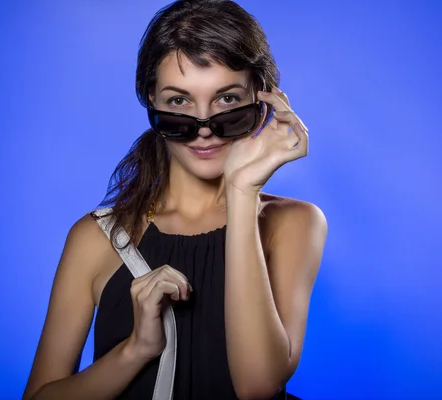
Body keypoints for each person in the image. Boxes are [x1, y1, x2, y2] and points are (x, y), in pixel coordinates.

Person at [23, 0, 328, 399]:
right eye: (180, 102)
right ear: (152, 100)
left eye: (227, 100)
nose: (204, 129)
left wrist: (241, 191)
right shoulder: (96, 237)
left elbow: (257, 386)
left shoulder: (293, 223)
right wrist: (135, 351)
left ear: (263, 98)